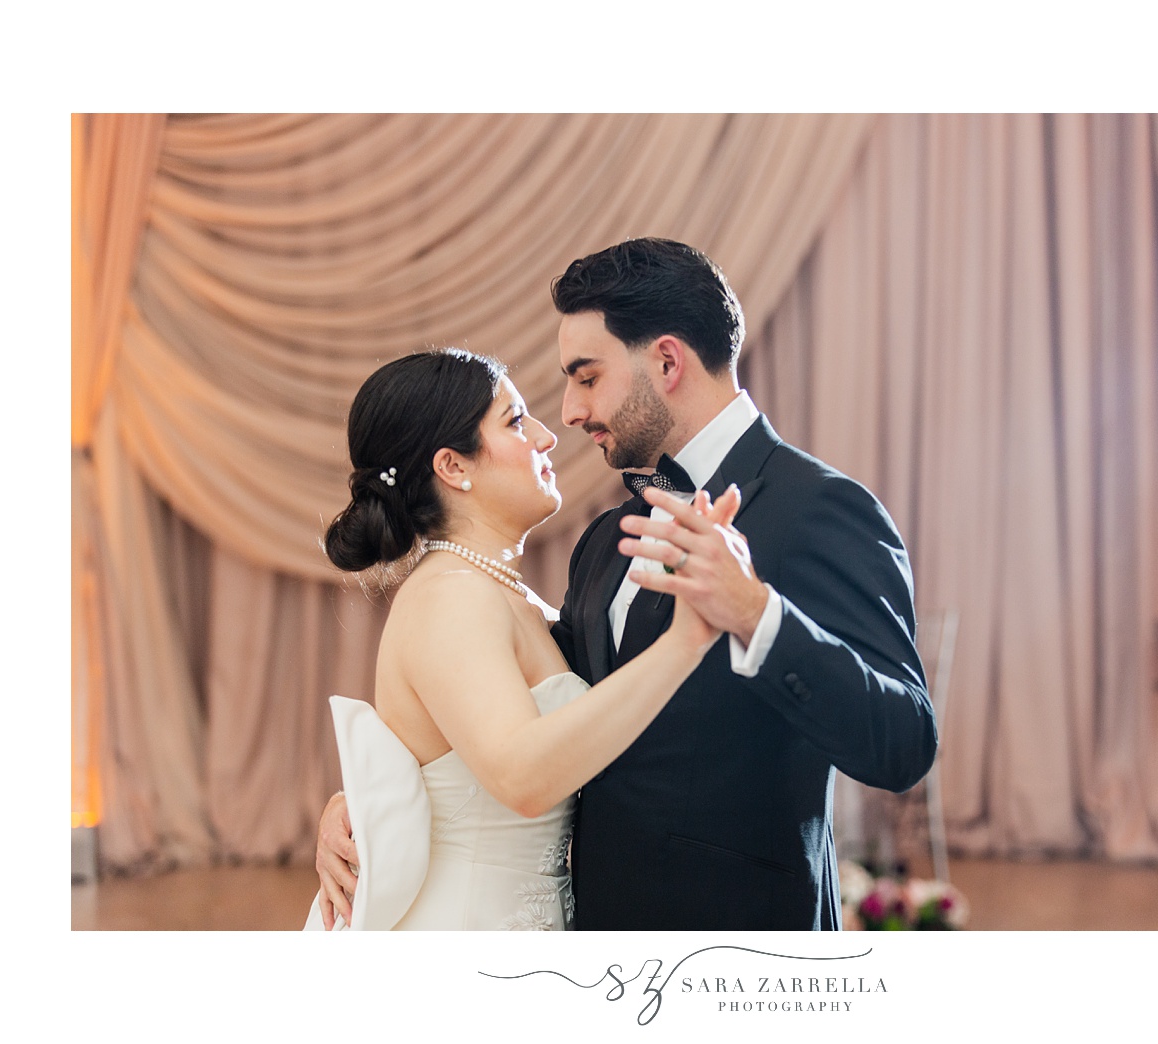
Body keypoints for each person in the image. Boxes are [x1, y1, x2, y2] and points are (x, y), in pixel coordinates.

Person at [318, 238, 936, 930]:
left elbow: (902, 742)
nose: (570, 414)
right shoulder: (604, 541)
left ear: (666, 362)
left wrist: (757, 615)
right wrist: (377, 802)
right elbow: (498, 707)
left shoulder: (820, 508)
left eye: (585, 377)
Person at [308, 347, 740, 930]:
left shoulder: (512, 599)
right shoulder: (449, 596)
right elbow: (521, 777)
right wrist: (687, 639)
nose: (546, 436)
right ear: (453, 468)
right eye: (514, 421)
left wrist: (356, 804)